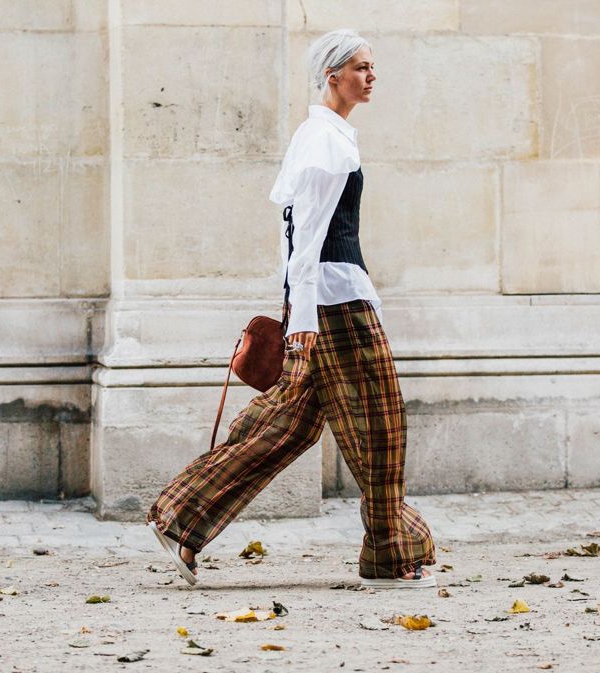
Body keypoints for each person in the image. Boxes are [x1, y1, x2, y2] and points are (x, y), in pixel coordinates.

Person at [146, 28, 436, 589]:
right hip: (337, 305)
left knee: (287, 426)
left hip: (323, 300)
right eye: (361, 67)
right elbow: (303, 238)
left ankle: (180, 520)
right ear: (332, 76)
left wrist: (296, 314)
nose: (371, 77)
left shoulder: (323, 135)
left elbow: (292, 238)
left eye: (372, 67)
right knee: (380, 426)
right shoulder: (325, 143)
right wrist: (301, 325)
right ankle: (389, 556)